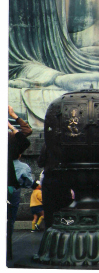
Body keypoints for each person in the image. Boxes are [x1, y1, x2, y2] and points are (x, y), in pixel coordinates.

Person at [7, 106, 32, 261]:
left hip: (9, 185)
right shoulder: (10, 141)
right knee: (9, 219)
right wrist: (11, 121)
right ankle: (7, 251)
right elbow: (25, 138)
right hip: (10, 186)